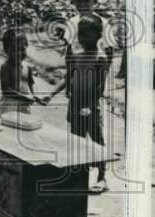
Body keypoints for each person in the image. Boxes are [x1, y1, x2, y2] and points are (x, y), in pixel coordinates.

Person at [47, 15, 111, 193]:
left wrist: (89, 106)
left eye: (86, 34)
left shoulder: (100, 58)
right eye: (80, 34)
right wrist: (50, 94)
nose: (82, 38)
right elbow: (68, 77)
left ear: (98, 36)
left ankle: (102, 177)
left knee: (96, 140)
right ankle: (78, 177)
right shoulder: (77, 56)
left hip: (91, 105)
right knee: (76, 139)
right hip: (75, 104)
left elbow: (99, 87)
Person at [0, 27, 36, 119]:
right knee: (7, 125)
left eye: (22, 49)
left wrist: (34, 95)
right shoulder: (6, 67)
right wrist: (25, 97)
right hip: (9, 106)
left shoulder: (27, 67)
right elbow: (6, 90)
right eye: (15, 50)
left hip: (23, 106)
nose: (19, 53)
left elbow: (31, 83)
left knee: (23, 125)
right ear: (7, 50)